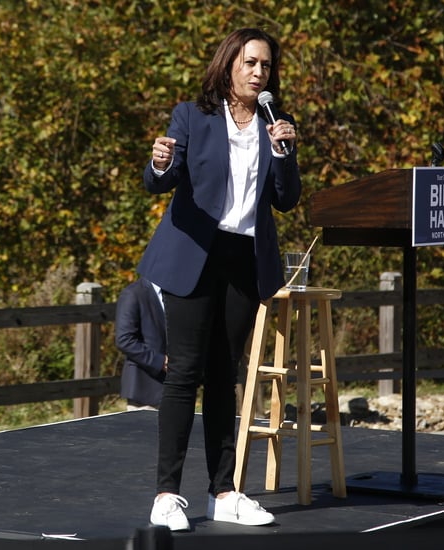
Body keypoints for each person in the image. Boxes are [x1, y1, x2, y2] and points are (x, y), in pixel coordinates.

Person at [137, 27, 301, 531]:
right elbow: (160, 179)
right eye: (250, 63)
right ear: (229, 64)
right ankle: (167, 496)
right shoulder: (193, 115)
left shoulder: (277, 124)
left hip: (243, 257)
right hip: (194, 254)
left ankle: (224, 492)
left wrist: (284, 154)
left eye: (266, 66)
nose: (258, 72)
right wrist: (158, 161)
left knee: (224, 376)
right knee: (184, 371)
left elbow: (286, 198)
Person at [114, 278, 167, 411]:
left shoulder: (176, 294)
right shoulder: (133, 293)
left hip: (173, 389)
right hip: (144, 390)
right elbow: (125, 339)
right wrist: (161, 362)